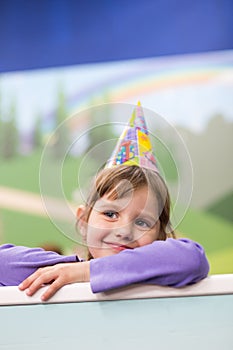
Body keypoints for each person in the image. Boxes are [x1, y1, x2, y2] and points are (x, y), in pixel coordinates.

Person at [0, 103, 209, 301]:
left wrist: (87, 272)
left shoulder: (161, 273)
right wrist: (70, 270)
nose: (124, 231)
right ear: (83, 221)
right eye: (110, 214)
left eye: (143, 222)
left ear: (160, 236)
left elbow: (192, 259)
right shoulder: (62, 274)